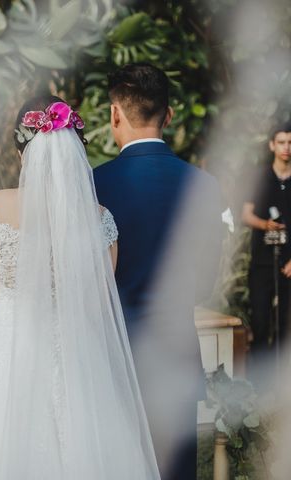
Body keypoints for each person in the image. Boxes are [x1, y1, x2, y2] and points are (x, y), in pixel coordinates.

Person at [0, 96, 160, 479]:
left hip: (6, 347)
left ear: (21, 152)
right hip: (78, 355)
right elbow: (98, 303)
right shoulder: (100, 220)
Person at [93, 63, 223, 480]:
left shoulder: (93, 184)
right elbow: (204, 282)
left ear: (115, 114)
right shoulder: (204, 185)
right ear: (168, 115)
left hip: (113, 354)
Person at [242, 124, 291, 368]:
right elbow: (245, 214)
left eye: (290, 143)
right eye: (281, 142)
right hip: (262, 261)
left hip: (289, 264)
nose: (286, 148)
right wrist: (265, 225)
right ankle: (258, 380)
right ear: (272, 144)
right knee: (260, 320)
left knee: (285, 322)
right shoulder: (260, 177)